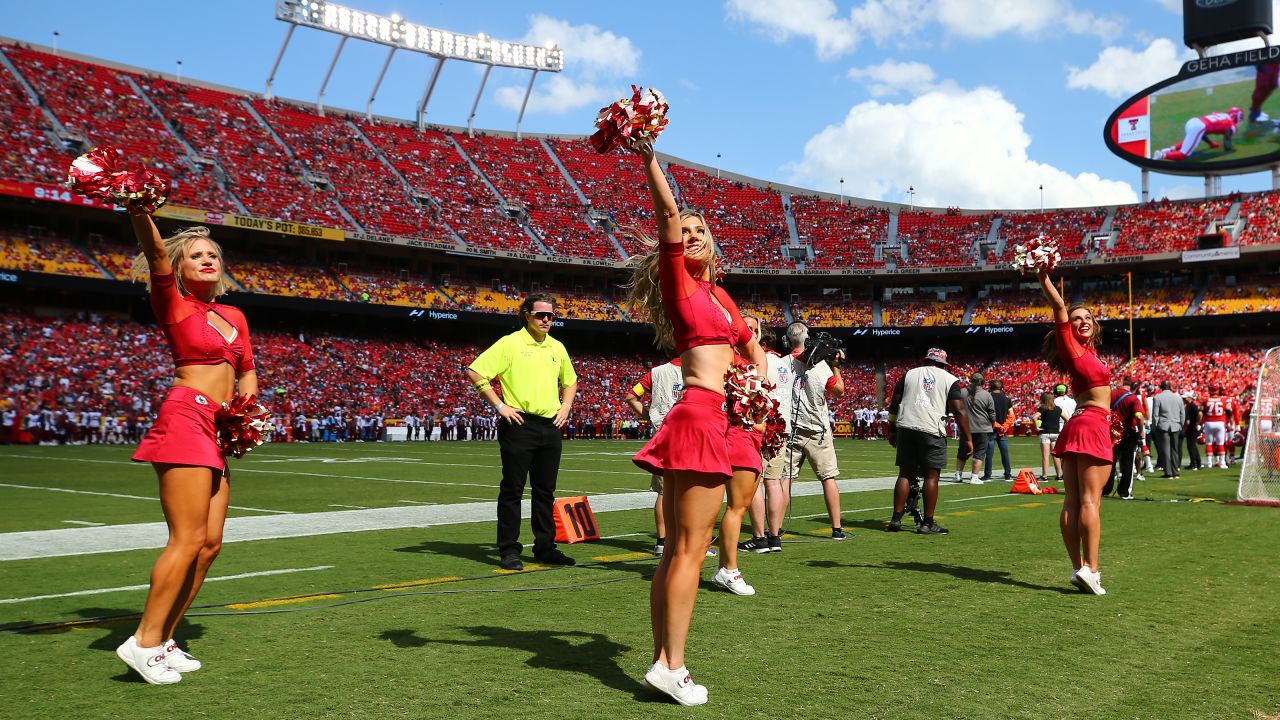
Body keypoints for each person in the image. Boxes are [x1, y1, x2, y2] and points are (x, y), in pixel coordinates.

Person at [624, 141, 764, 706]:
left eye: (702, 228)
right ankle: (672, 666)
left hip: (720, 418)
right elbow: (664, 216)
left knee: (677, 549)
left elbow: (755, 355)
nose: (692, 233)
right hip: (699, 414)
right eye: (686, 230)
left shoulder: (722, 296)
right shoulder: (681, 280)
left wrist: (764, 389)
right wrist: (650, 159)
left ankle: (663, 659)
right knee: (688, 549)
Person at [120, 216, 257, 684]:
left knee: (209, 545)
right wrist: (139, 209)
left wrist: (245, 413)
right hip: (185, 418)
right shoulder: (173, 302)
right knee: (186, 538)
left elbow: (248, 371)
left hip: (219, 427)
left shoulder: (235, 317)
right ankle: (142, 641)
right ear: (179, 267)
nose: (206, 259)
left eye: (213, 255)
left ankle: (164, 639)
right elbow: (156, 254)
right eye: (195, 254)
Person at [465, 294, 578, 571]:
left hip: (550, 424)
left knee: (545, 491)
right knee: (512, 489)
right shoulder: (510, 343)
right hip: (519, 423)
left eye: (551, 315)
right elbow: (475, 371)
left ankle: (545, 547)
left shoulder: (557, 346)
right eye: (541, 315)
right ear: (526, 314)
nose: (546, 320)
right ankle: (509, 549)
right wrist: (499, 406)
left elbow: (571, 381)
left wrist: (566, 407)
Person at [1037, 268, 1112, 596]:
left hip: (1078, 424)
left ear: (1095, 325)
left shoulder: (1088, 353)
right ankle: (1091, 570)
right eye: (1077, 317)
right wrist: (1044, 280)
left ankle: (1078, 567)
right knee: (1088, 501)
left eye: (1088, 318)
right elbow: (1059, 309)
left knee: (1072, 500)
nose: (1081, 321)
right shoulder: (1073, 348)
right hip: (1092, 424)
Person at [768, 321, 848, 540]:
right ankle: (837, 529)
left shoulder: (780, 363)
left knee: (784, 480)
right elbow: (838, 391)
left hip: (789, 430)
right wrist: (836, 366)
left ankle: (775, 531)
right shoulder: (821, 366)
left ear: (787, 340)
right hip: (817, 430)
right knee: (828, 477)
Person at [886, 348, 972, 534]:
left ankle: (895, 520)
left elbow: (894, 403)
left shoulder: (909, 374)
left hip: (906, 426)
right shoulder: (950, 379)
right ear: (943, 363)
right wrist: (968, 438)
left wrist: (892, 429)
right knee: (932, 476)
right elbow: (959, 410)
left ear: (926, 360)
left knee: (905, 474)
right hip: (931, 428)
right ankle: (927, 523)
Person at [712, 314, 768, 596]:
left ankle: (723, 566)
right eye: (747, 329)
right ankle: (729, 570)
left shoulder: (751, 362)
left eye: (755, 330)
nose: (751, 334)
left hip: (747, 439)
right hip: (739, 439)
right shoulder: (733, 362)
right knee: (736, 507)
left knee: (733, 507)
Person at [624, 356, 684, 556]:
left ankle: (662, 541)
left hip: (663, 436)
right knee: (687, 491)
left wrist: (649, 414)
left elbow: (631, 396)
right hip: (688, 435)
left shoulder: (655, 373)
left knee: (664, 492)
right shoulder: (699, 368)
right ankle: (684, 540)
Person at [1103, 381, 1145, 500]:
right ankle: (1124, 491)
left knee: (1110, 461)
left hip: (1111, 432)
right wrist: (1141, 430)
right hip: (1127, 433)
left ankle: (1106, 488)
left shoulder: (1109, 394)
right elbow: (1139, 416)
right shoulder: (1133, 399)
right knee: (1127, 463)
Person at [1153, 108, 1242, 161]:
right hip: (1199, 127)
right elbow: (1227, 136)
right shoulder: (1232, 124)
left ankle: (1168, 150)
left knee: (1189, 140)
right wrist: (1228, 149)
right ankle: (1161, 155)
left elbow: (1204, 132)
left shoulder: (1220, 114)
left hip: (1193, 121)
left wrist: (1211, 144)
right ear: (1236, 116)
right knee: (1183, 155)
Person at [955, 373, 995, 484]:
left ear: (970, 381)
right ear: (982, 382)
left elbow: (956, 408)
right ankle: (974, 477)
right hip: (982, 427)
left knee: (962, 452)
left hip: (965, 428)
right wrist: (991, 424)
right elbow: (992, 413)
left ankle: (958, 475)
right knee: (979, 453)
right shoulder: (986, 395)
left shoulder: (962, 392)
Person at [1150, 380, 1185, 478]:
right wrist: (1181, 424)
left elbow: (1155, 415)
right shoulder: (1177, 397)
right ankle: (1175, 471)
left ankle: (1168, 472)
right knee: (1175, 449)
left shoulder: (1158, 397)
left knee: (1165, 450)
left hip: (1163, 426)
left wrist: (1154, 426)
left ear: (1161, 387)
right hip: (1175, 425)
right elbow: (1182, 413)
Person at [982, 378, 1015, 482]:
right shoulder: (1006, 399)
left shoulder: (988, 398)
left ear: (990, 387)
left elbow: (986, 415)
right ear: (1002, 387)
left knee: (989, 454)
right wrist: (1004, 426)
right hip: (1002, 431)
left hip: (990, 429)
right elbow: (1012, 416)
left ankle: (987, 475)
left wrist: (997, 425)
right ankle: (1008, 475)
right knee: (1005, 453)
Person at [1203, 384, 1239, 469]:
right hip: (1220, 422)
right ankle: (1222, 463)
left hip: (1209, 422)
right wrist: (1231, 423)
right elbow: (1229, 413)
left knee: (1209, 443)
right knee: (1220, 443)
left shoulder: (1205, 400)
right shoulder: (1224, 400)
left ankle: (1209, 463)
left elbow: (1203, 411)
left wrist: (1201, 422)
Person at [1035, 391, 1064, 483]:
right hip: (1056, 433)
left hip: (1045, 433)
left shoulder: (1043, 408)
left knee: (1045, 456)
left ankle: (1044, 476)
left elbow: (1034, 417)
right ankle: (1059, 475)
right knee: (1056, 455)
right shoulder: (1058, 409)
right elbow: (1067, 418)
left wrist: (1037, 427)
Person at [1183, 392, 1203, 471]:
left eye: (1185, 398)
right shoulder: (1190, 405)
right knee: (1193, 446)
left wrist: (1197, 423)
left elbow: (1200, 414)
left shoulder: (1192, 406)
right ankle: (1197, 463)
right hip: (1192, 427)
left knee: (1191, 446)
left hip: (1192, 428)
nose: (1184, 399)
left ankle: (1194, 464)